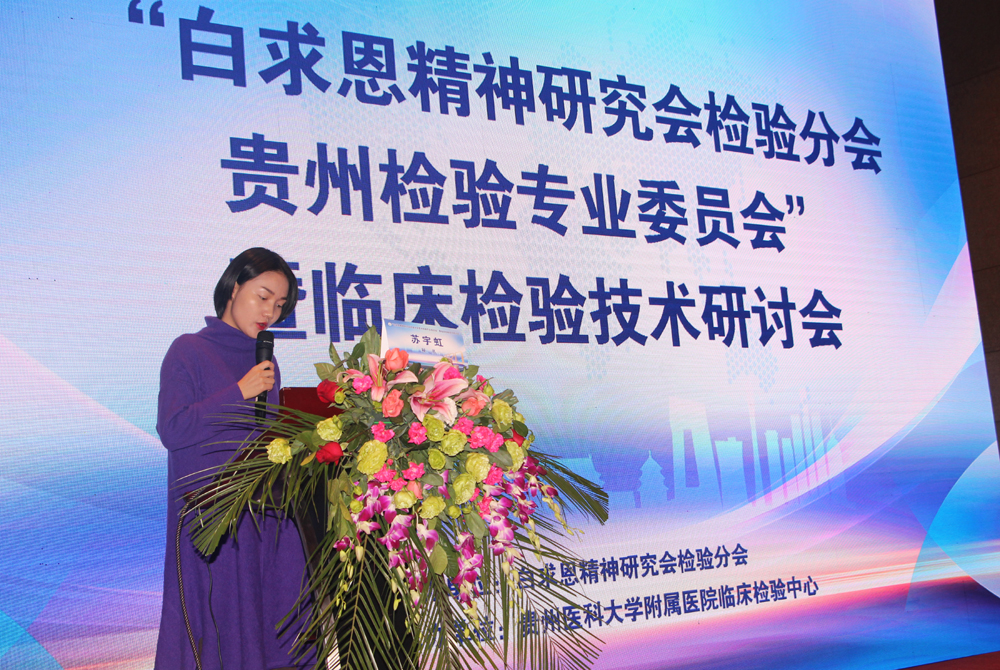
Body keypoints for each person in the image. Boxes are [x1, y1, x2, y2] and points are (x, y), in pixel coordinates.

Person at [155, 248, 313, 669]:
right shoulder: (188, 350)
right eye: (263, 297)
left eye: (279, 305)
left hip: (267, 518)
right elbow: (173, 428)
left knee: (277, 628)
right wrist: (239, 391)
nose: (270, 313)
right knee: (219, 632)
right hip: (212, 517)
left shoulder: (267, 361)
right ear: (234, 287)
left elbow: (268, 437)